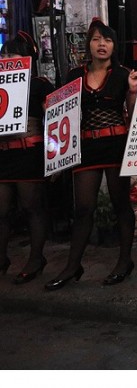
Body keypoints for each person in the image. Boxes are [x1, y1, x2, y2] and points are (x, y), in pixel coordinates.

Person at [45, 19, 137, 290]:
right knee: (84, 208)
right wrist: (55, 156)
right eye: (97, 39)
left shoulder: (124, 74)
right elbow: (62, 115)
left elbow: (134, 116)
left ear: (114, 46)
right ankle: (72, 266)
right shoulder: (74, 74)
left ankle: (125, 261)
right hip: (85, 147)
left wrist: (133, 91)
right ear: (89, 44)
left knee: (120, 204)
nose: (102, 44)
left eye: (108, 40)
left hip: (115, 144)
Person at [0, 34, 53, 284]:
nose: (6, 60)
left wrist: (57, 158)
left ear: (27, 59)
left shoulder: (40, 84)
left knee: (32, 208)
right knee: (1, 210)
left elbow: (55, 119)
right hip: (2, 154)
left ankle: (36, 258)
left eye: (13, 55)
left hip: (28, 152)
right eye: (3, 55)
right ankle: (1, 258)